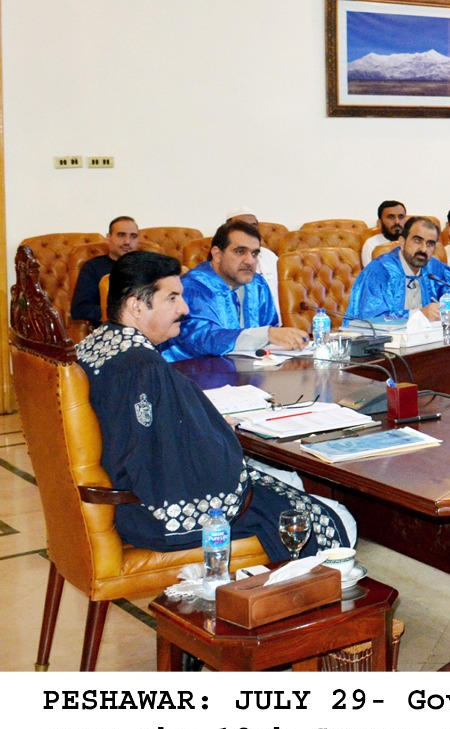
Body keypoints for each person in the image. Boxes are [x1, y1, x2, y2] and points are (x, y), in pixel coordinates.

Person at [76, 252, 352, 561]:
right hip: (152, 512)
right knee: (331, 517)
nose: (184, 308)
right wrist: (219, 432)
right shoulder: (141, 366)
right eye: (172, 298)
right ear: (136, 306)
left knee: (284, 480)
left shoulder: (95, 345)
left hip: (116, 501)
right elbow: (167, 459)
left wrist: (206, 423)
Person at [161, 220, 309, 361]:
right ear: (217, 254)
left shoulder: (257, 284)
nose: (250, 261)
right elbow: (201, 339)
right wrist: (266, 335)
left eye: (254, 253)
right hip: (196, 373)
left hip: (250, 374)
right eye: (240, 252)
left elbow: (271, 327)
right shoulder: (192, 287)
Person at [347, 215, 450, 320]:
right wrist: (419, 315)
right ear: (402, 242)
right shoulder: (380, 271)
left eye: (430, 244)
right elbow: (371, 319)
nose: (423, 249)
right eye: (417, 241)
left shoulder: (434, 268)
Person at [70, 216, 140, 327]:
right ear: (108, 238)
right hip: (110, 331)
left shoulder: (147, 266)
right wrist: (121, 315)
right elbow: (80, 309)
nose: (127, 241)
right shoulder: (93, 267)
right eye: (121, 235)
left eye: (133, 236)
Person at [224, 210, 279, 308]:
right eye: (243, 226)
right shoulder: (224, 258)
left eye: (254, 226)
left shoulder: (268, 255)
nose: (250, 230)